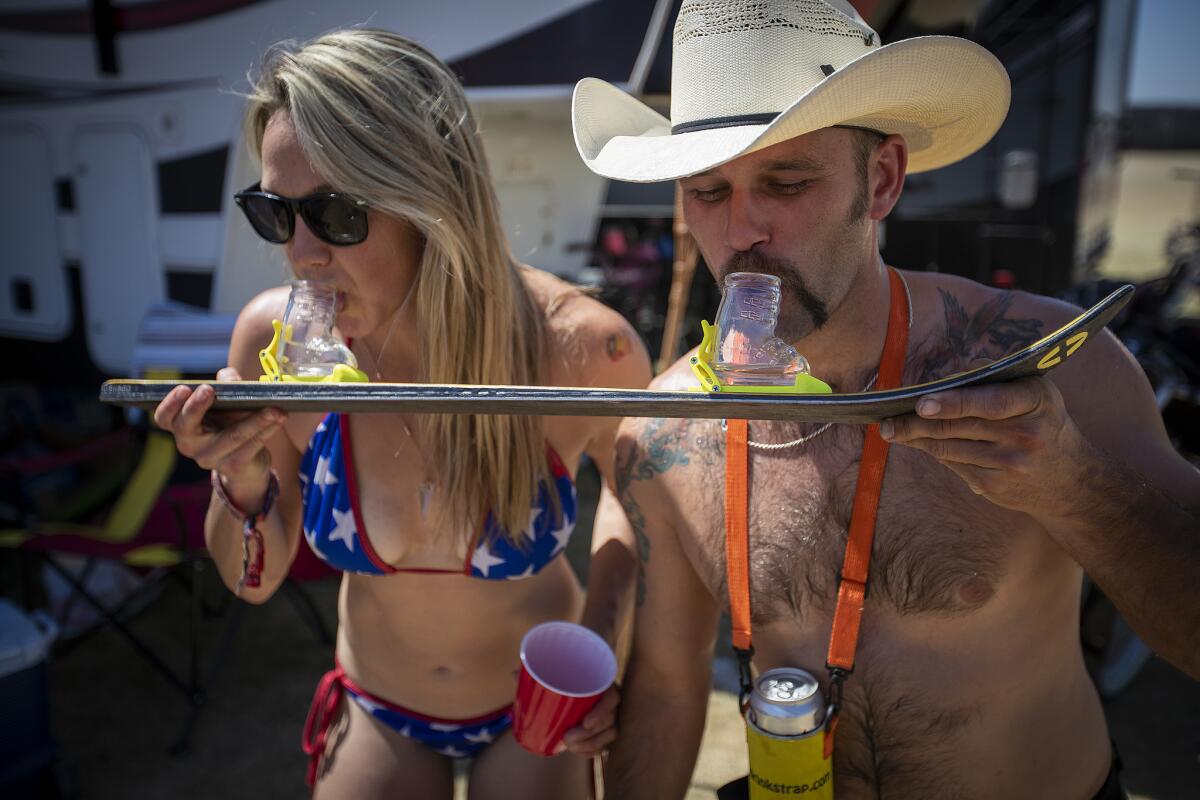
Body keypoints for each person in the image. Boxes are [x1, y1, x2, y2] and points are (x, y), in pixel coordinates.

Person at [570, 1, 1200, 798]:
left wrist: (1076, 488)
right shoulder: (669, 430)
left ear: (882, 179)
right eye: (706, 190)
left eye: (787, 181)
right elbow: (663, 691)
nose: (742, 230)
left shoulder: (1047, 365)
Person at [152, 29, 650, 798]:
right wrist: (241, 478)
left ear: (432, 199)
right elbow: (252, 582)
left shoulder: (580, 348)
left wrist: (602, 639)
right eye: (275, 215)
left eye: (337, 215)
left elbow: (633, 499)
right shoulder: (271, 343)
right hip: (379, 704)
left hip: (537, 702)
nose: (302, 255)